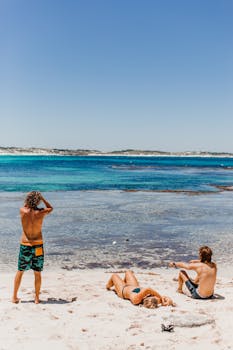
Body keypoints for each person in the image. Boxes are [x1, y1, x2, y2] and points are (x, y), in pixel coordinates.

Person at [12, 191, 53, 304]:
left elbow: (25, 206)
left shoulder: (22, 211)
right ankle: (36, 298)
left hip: (25, 245)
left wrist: (30, 198)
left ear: (27, 200)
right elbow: (50, 208)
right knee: (37, 272)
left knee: (20, 271)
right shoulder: (41, 212)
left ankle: (14, 296)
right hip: (38, 245)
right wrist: (42, 198)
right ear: (38, 201)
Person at [106, 270, 174, 308]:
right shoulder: (155, 300)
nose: (149, 296)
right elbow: (166, 298)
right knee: (128, 272)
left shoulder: (136, 299)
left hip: (123, 290)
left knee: (114, 275)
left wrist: (161, 298)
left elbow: (148, 289)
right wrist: (165, 300)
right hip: (133, 286)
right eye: (151, 296)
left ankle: (108, 286)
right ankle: (123, 282)